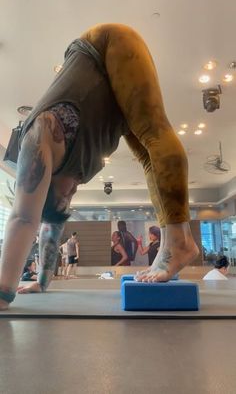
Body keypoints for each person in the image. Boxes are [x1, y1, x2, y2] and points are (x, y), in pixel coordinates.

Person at [0, 23, 199, 310]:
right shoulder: (69, 177)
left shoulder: (40, 138)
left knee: (155, 134)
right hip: (113, 95)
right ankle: (172, 243)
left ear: (47, 183)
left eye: (64, 196)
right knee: (146, 158)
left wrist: (4, 294)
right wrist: (41, 281)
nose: (72, 194)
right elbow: (49, 227)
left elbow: (24, 218)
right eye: (70, 200)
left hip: (105, 48)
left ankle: (179, 241)